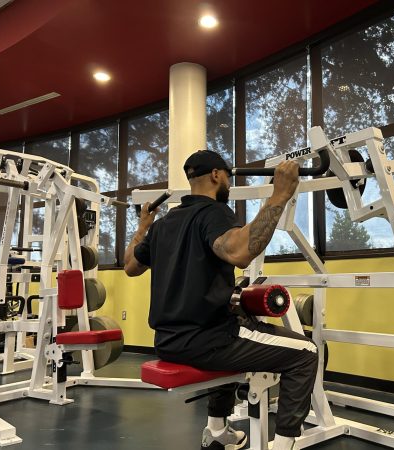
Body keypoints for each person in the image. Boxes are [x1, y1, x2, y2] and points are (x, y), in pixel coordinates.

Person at [124, 150, 318, 450]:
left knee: (234, 325)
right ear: (216, 175)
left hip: (167, 342)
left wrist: (143, 227)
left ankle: (216, 430)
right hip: (207, 342)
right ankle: (283, 445)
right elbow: (239, 253)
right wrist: (280, 194)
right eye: (227, 175)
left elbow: (130, 267)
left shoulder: (163, 225)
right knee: (305, 352)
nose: (227, 181)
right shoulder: (212, 212)